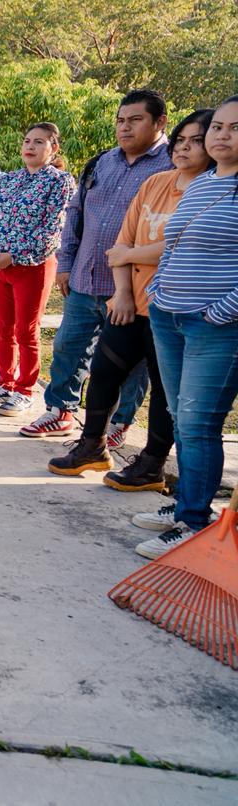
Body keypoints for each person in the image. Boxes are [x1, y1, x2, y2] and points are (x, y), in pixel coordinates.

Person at [47, 110, 214, 488]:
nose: (185, 147)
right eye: (181, 140)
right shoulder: (156, 183)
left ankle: (152, 464)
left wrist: (130, 255)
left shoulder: (211, 189)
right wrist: (121, 292)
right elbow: (122, 242)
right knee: (104, 373)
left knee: (163, 390)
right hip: (130, 303)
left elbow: (180, 247)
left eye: (196, 141)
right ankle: (92, 447)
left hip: (173, 310)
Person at [22, 90, 171, 442]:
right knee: (67, 347)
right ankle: (59, 411)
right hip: (85, 276)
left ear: (159, 122)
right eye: (121, 120)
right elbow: (76, 212)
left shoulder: (171, 166)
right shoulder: (104, 161)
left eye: (135, 120)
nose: (125, 127)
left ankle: (119, 424)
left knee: (130, 363)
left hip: (134, 287)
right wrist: (66, 262)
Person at [132, 96, 238, 560]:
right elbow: (173, 244)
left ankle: (194, 522)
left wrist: (222, 311)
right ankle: (185, 506)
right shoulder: (203, 183)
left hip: (214, 328)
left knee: (197, 424)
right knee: (180, 417)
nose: (221, 136)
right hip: (168, 316)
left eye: (234, 128)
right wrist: (159, 294)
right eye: (217, 127)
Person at [0, 123, 76, 417]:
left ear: (53, 148)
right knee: (4, 329)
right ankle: (5, 383)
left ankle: (25, 390)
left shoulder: (60, 182)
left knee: (26, 331)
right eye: (27, 141)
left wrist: (15, 255)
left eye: (39, 142)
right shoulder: (8, 180)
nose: (30, 146)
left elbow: (53, 229)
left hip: (32, 267)